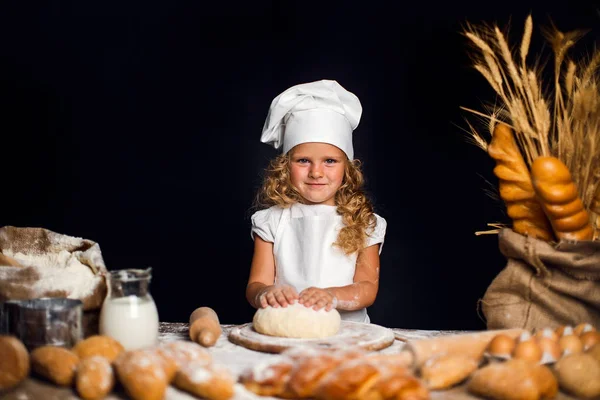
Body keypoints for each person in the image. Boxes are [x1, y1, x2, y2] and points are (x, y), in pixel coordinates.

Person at [246, 79, 387, 323]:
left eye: (330, 161)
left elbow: (367, 287)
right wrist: (265, 293)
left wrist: (332, 296)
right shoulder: (270, 220)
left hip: (350, 336)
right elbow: (256, 284)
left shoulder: (364, 222)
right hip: (288, 330)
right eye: (303, 161)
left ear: (348, 168)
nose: (316, 172)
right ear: (285, 166)